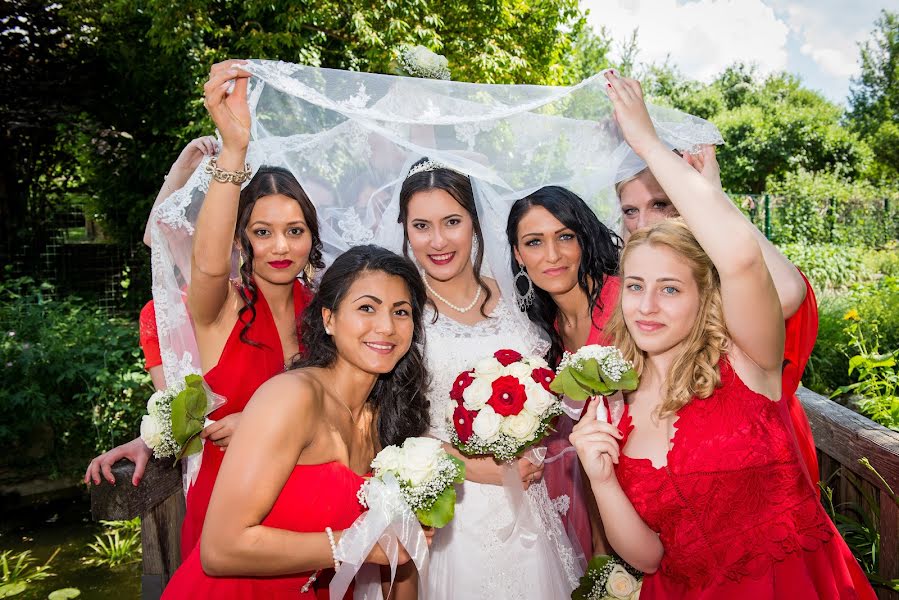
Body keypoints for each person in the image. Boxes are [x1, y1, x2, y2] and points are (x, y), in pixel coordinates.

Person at [569, 72, 875, 599]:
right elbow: (648, 554)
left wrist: (647, 142)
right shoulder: (613, 402)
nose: (646, 305)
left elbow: (741, 260)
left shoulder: (745, 358)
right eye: (637, 286)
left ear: (704, 296)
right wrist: (599, 477)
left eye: (670, 290)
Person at [86, 61, 323, 560]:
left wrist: (259, 426)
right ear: (243, 239)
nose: (280, 245)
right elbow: (207, 264)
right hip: (231, 522)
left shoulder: (328, 314)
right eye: (262, 231)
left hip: (312, 510)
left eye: (295, 231)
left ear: (312, 238)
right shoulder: (219, 309)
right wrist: (234, 149)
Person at [162, 245, 430, 599]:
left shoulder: (384, 418)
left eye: (401, 312)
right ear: (329, 319)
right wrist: (355, 545)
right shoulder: (292, 397)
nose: (386, 327)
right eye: (367, 307)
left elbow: (398, 553)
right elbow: (219, 550)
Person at [398, 159, 582, 599]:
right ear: (404, 229)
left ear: (476, 224)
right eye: (421, 225)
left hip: (531, 505)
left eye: (452, 222)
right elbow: (389, 426)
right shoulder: (401, 312)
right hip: (450, 512)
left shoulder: (521, 297)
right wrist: (478, 470)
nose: (438, 240)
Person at [616, 141, 820, 485]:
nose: (644, 222)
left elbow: (787, 294)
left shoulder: (733, 279)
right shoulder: (638, 289)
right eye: (630, 211)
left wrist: (712, 194)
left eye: (660, 203)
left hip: (754, 458)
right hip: (677, 470)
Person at [505, 185, 623, 558]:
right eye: (535, 242)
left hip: (641, 486)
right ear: (518, 255)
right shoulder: (542, 328)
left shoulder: (625, 302)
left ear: (584, 240)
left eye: (565, 237)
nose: (552, 255)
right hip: (582, 492)